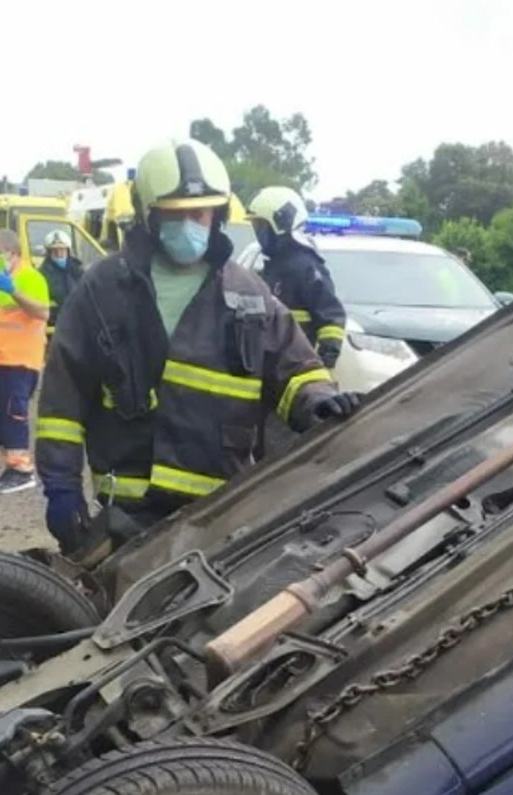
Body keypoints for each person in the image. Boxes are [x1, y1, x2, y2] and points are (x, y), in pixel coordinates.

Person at [35, 138, 363, 556]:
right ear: (148, 215)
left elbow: (294, 368)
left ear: (218, 214)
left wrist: (319, 402)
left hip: (222, 512)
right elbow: (63, 400)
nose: (190, 225)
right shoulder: (102, 290)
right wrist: (61, 487)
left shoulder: (248, 294)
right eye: (176, 215)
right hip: (129, 514)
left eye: (200, 213)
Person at [247, 186, 347, 366]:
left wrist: (324, 362)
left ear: (281, 223)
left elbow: (332, 317)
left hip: (295, 366)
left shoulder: (306, 266)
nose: (257, 232)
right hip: (272, 365)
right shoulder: (272, 268)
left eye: (261, 225)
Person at [0, 228, 50, 494]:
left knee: (13, 415)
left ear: (13, 252)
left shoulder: (29, 278)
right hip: (4, 359)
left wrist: (15, 292)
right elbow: (1, 322)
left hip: (22, 361)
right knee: (1, 418)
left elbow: (42, 312)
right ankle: (11, 466)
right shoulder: (3, 280)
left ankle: (23, 471)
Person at [36, 229, 85, 330]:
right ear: (49, 253)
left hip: (78, 322)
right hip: (54, 325)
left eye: (62, 250)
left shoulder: (77, 269)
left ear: (68, 251)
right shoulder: (42, 275)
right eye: (55, 250)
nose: (59, 254)